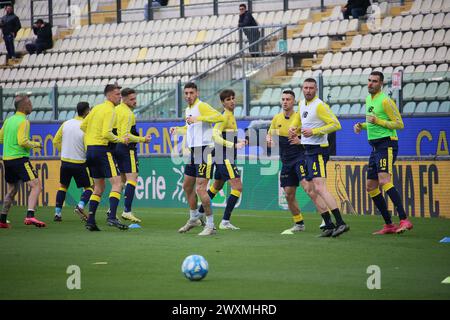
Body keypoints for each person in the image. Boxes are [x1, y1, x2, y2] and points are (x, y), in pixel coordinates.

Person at [354, 71, 413, 235]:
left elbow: (399, 124)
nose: (370, 83)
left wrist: (377, 121)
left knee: (384, 179)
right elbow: (372, 123)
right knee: (370, 186)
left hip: (387, 143)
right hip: (375, 147)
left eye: (374, 81)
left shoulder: (386, 100)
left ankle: (404, 219)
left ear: (381, 84)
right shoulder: (368, 99)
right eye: (369, 80)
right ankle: (389, 225)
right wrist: (362, 125)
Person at [267, 89, 330, 234]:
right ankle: (299, 223)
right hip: (286, 161)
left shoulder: (301, 117)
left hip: (301, 157)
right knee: (288, 194)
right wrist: (269, 140)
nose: (285, 102)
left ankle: (326, 219)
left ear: (294, 102)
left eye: (288, 99)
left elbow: (312, 138)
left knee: (309, 188)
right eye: (283, 99)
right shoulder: (276, 119)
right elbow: (270, 137)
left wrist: (300, 141)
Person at [295, 78, 349, 237]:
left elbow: (336, 124)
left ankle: (341, 223)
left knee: (319, 187)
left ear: (316, 89)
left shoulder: (320, 105)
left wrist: (315, 132)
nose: (308, 90)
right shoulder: (302, 103)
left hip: (318, 150)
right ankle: (329, 224)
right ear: (302, 88)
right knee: (311, 189)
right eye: (305, 87)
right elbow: (305, 122)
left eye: (311, 88)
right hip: (307, 150)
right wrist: (296, 129)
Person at [170, 82, 224, 236]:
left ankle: (211, 225)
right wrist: (179, 129)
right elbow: (190, 126)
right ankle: (194, 218)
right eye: (186, 93)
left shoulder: (202, 106)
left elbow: (219, 117)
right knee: (187, 186)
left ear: (197, 93)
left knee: (200, 188)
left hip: (205, 150)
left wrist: (199, 118)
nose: (188, 96)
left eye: (191, 93)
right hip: (194, 151)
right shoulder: (188, 109)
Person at [80, 84, 129, 231]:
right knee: (117, 183)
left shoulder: (96, 109)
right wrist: (120, 139)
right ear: (108, 95)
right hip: (102, 150)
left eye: (120, 94)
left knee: (98, 188)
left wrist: (91, 137)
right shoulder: (110, 110)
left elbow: (83, 126)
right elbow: (107, 133)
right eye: (117, 94)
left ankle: (91, 220)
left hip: (90, 150)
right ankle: (112, 217)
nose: (119, 97)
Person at [196, 89, 247, 230]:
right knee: (237, 186)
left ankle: (198, 215)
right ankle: (225, 221)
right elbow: (215, 136)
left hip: (223, 156)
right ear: (223, 103)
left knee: (216, 186)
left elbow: (225, 135)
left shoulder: (231, 116)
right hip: (225, 157)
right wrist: (234, 144)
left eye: (233, 98)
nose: (232, 101)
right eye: (228, 99)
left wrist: (238, 140)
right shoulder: (224, 117)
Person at [0, 93, 45, 228]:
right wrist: (36, 144)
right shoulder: (24, 121)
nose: (31, 106)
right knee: (36, 185)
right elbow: (22, 141)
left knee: (12, 190)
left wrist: (9, 144)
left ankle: (2, 219)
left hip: (7, 160)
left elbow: (1, 138)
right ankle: (30, 216)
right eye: (30, 104)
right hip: (19, 159)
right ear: (24, 106)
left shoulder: (8, 120)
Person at [114, 88, 151, 223]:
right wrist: (143, 139)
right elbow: (126, 135)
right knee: (132, 178)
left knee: (122, 180)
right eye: (132, 99)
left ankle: (112, 209)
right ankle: (127, 211)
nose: (135, 101)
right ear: (123, 99)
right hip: (126, 148)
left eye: (135, 98)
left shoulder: (116, 110)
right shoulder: (128, 114)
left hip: (115, 147)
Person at [52, 102, 93, 222]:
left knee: (63, 187)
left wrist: (64, 151)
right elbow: (87, 146)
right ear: (86, 111)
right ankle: (80, 206)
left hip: (65, 162)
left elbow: (55, 141)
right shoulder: (85, 127)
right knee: (90, 188)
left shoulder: (66, 123)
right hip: (79, 162)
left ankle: (57, 213)